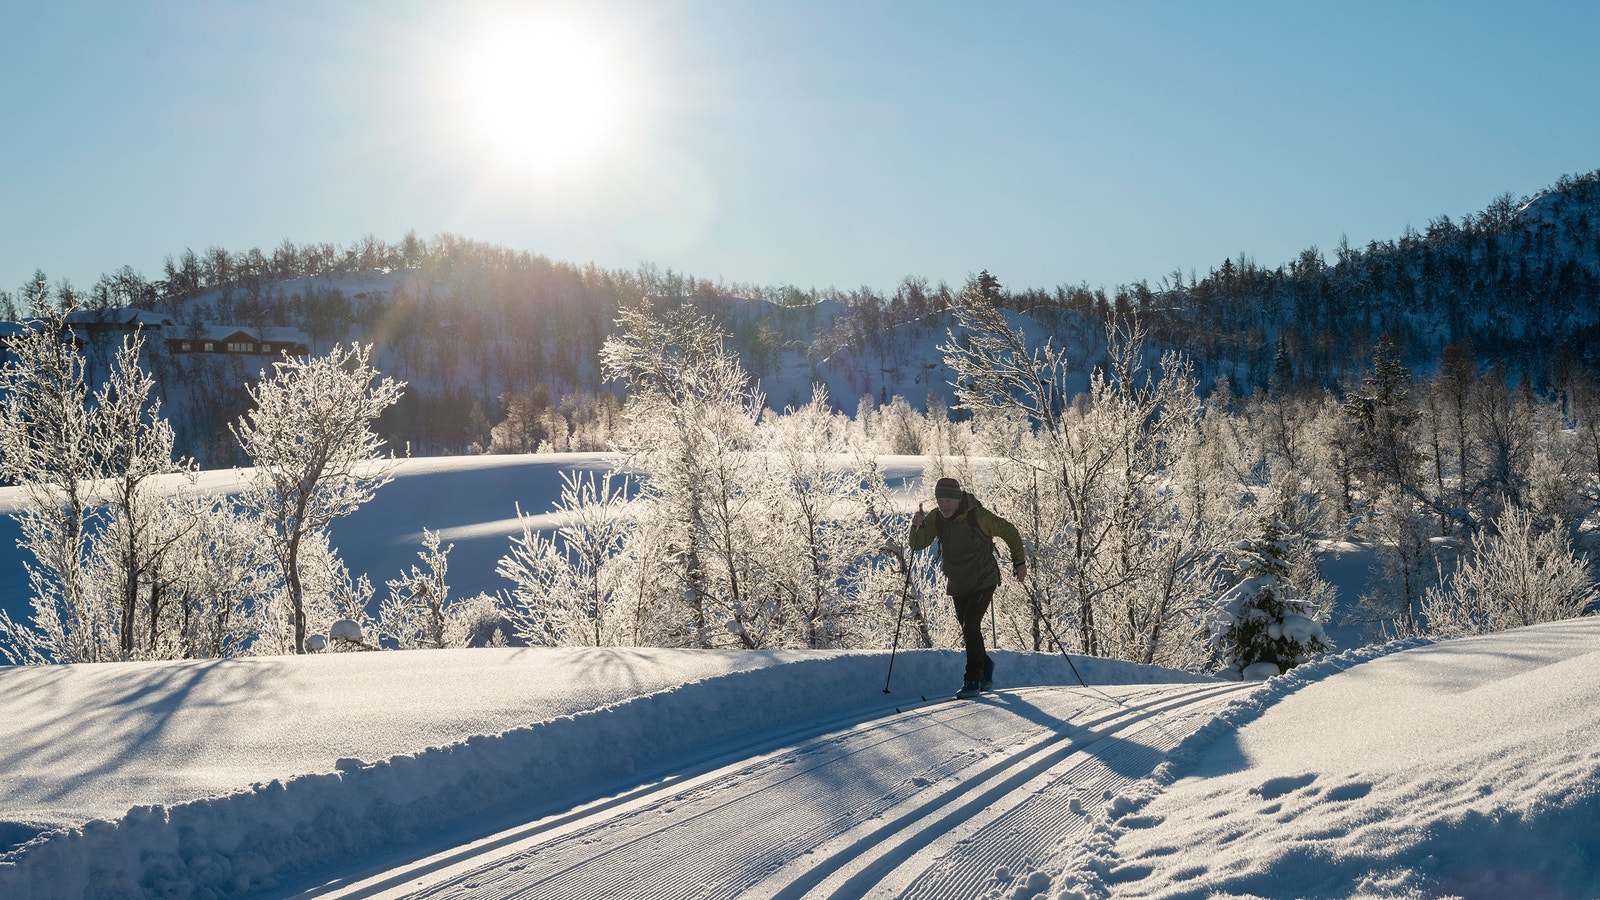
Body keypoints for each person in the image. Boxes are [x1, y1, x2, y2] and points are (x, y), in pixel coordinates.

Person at [910, 476, 1027, 699]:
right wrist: (916, 527)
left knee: (970, 625)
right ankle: (986, 664)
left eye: (947, 500)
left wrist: (1019, 562)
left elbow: (1009, 531)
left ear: (957, 499)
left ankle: (972, 680)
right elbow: (917, 544)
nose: (943, 504)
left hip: (984, 579)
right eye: (939, 499)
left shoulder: (977, 516)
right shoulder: (937, 517)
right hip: (958, 582)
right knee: (967, 628)